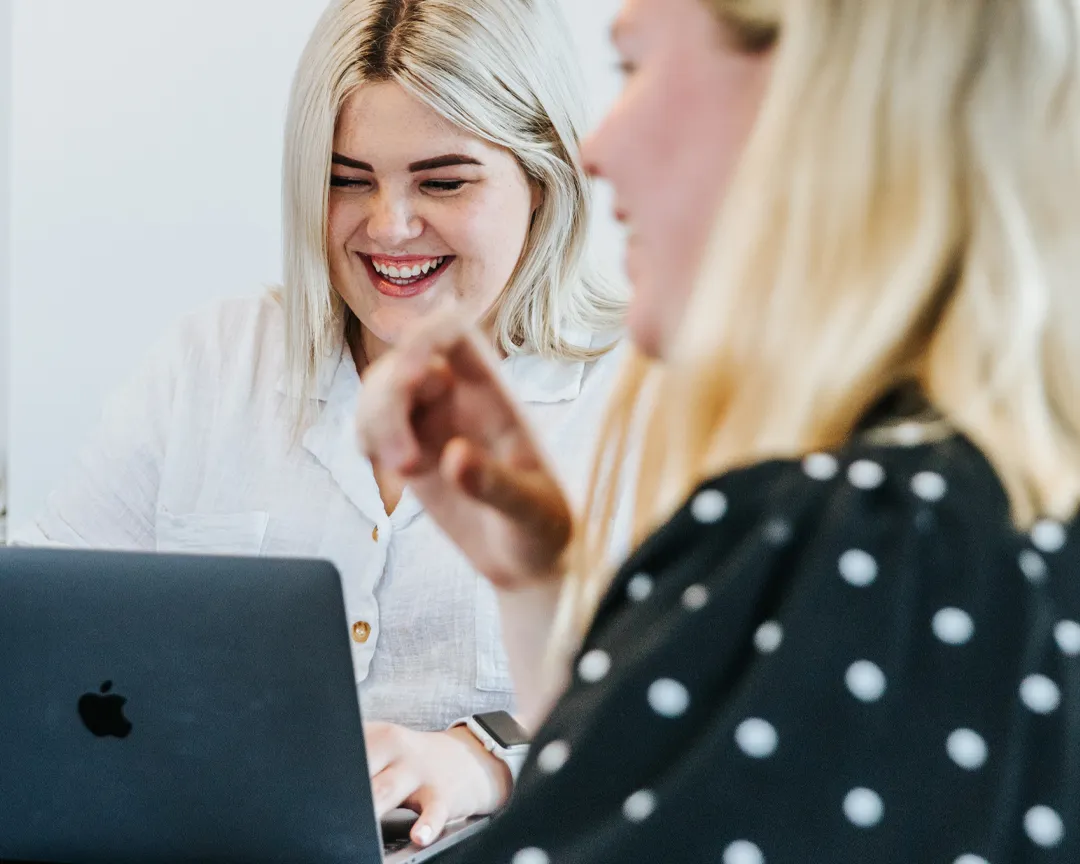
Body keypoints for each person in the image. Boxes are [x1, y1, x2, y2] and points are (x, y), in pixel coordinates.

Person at [356, 0, 1080, 860]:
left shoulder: (855, 543)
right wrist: (535, 586)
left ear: (812, 97)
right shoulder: (982, 524)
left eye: (635, 67)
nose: (595, 151)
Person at [13, 0, 627, 848]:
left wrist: (488, 758)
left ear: (543, 177)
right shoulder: (212, 362)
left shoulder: (644, 400)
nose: (389, 226)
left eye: (443, 181)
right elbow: (38, 628)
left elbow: (699, 702)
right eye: (347, 179)